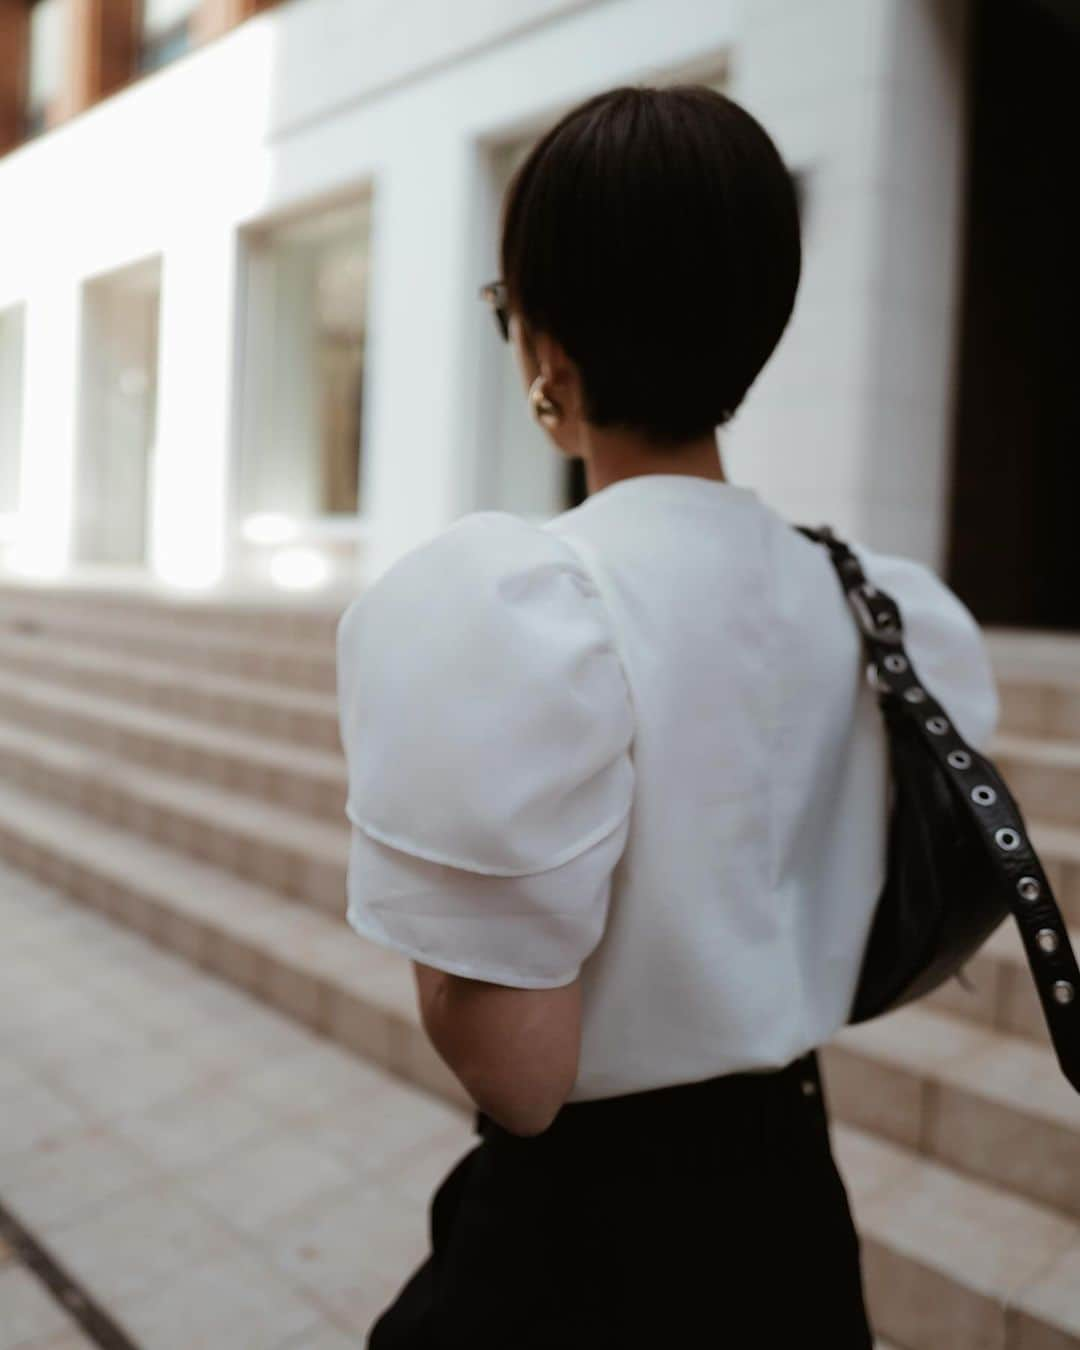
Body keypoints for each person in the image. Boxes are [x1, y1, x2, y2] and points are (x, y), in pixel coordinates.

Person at [334, 84, 1000, 1348]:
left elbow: (521, 1080)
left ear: (547, 351)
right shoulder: (878, 603)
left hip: (585, 1247)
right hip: (794, 1201)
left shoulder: (520, 606)